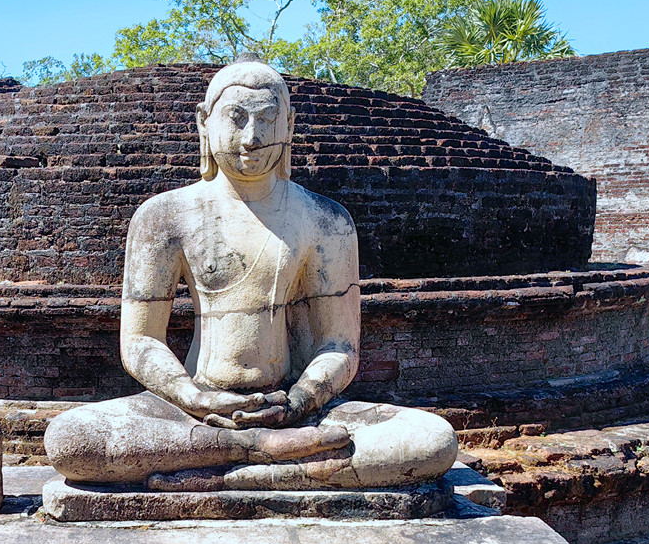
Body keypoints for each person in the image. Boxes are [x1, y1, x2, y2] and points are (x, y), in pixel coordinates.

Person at [44, 58, 458, 489]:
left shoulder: (325, 220)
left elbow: (339, 346)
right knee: (71, 442)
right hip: (191, 408)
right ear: (204, 124)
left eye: (267, 120)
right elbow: (140, 341)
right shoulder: (164, 217)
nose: (252, 138)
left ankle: (217, 466)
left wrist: (296, 402)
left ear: (289, 127)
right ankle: (259, 455)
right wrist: (194, 397)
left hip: (293, 407)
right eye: (237, 119)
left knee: (431, 440)